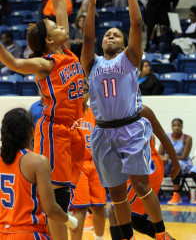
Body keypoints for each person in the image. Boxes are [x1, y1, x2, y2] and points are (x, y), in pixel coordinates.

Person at [81, 0, 179, 240]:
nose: (110, 36)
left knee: (140, 184)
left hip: (129, 127)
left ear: (125, 45)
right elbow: (87, 37)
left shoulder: (130, 59)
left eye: (116, 35)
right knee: (116, 196)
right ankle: (127, 237)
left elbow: (136, 23)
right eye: (107, 35)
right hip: (102, 133)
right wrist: (91, 5)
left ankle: (159, 233)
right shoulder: (92, 65)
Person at [0, 0, 85, 240]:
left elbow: (60, 2)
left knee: (68, 196)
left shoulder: (66, 51)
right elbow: (12, 63)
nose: (62, 24)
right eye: (55, 25)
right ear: (50, 39)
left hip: (74, 131)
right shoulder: (45, 64)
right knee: (58, 201)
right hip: (54, 132)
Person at [0, 108, 78, 239]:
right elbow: (51, 209)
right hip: (28, 233)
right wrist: (71, 221)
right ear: (31, 131)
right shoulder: (37, 162)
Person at [108, 104, 179, 240]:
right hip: (137, 164)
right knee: (136, 220)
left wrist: (175, 163)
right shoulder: (112, 110)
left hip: (146, 164)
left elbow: (163, 136)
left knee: (115, 213)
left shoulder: (141, 109)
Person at [70, 78, 106, 240]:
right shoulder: (69, 113)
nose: (82, 95)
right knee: (80, 208)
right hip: (77, 165)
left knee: (99, 207)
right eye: (79, 91)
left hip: (96, 165)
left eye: (85, 91)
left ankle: (100, 238)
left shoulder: (95, 113)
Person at [159, 118, 193, 205]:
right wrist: (163, 158)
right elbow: (160, 154)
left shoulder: (187, 138)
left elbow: (183, 156)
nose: (176, 127)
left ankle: (176, 194)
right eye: (174, 125)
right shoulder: (165, 137)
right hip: (168, 162)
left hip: (183, 162)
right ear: (171, 127)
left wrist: (168, 157)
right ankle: (153, 192)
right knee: (155, 164)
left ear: (182, 126)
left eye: (178, 125)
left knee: (174, 164)